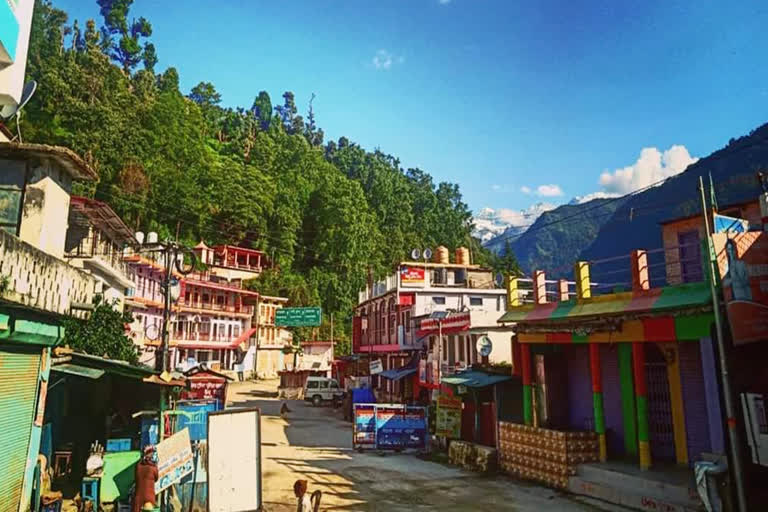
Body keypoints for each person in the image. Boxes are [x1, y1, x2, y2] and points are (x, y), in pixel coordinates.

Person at [133, 445, 159, 512]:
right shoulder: (153, 467)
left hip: (138, 496)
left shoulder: (138, 465)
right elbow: (156, 478)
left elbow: (136, 478)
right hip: (149, 497)